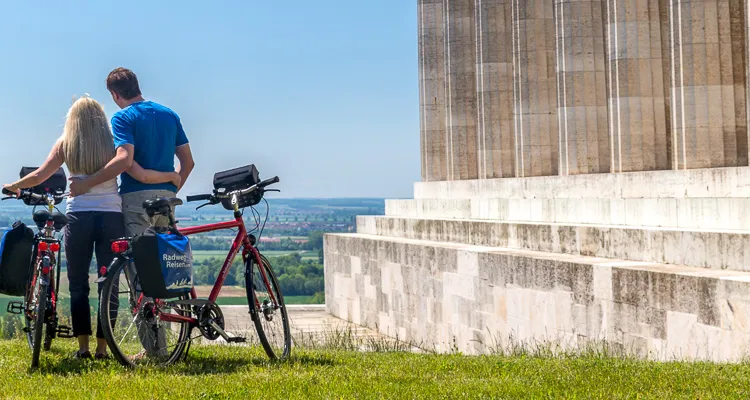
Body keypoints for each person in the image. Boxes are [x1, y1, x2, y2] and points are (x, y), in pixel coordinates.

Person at [2, 97, 180, 360]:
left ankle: (83, 348)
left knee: (77, 285)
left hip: (79, 218)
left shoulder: (66, 144)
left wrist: (14, 185)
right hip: (111, 217)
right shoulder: (112, 142)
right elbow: (131, 165)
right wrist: (169, 177)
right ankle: (102, 349)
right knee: (108, 283)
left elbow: (40, 175)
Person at [68, 67, 195, 358]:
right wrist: (172, 184)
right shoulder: (168, 114)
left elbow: (126, 162)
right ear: (137, 85)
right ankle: (173, 338)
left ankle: (155, 350)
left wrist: (87, 183)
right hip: (166, 200)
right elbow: (187, 162)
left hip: (136, 201)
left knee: (141, 275)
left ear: (114, 94)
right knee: (164, 266)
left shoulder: (123, 117)